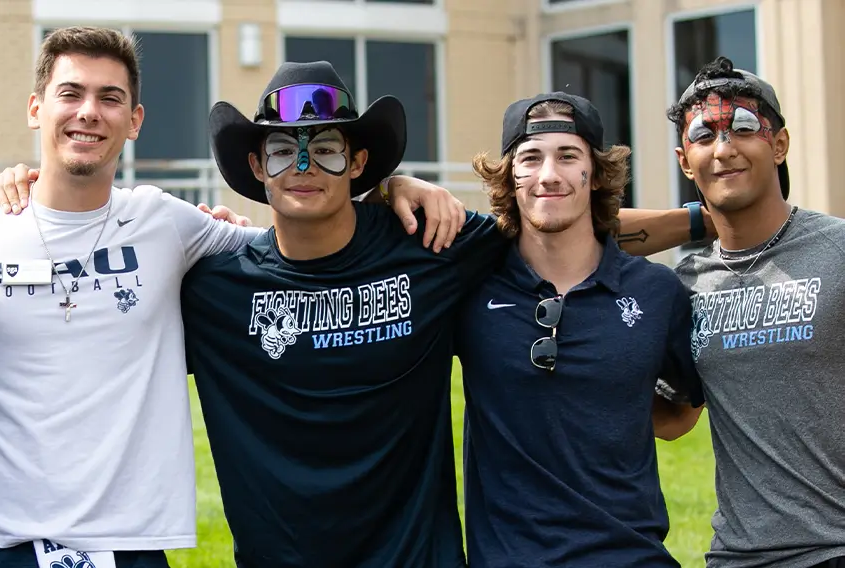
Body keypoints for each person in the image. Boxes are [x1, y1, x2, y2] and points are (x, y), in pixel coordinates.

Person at [0, 27, 465, 568]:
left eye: (110, 98)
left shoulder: (169, 224)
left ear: (135, 120)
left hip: (130, 544)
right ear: (35, 108)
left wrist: (391, 187)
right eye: (71, 94)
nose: (89, 112)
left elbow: (296, 244)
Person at [167, 61, 712, 567]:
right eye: (283, 150)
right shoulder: (213, 287)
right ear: (257, 164)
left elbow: (561, 225)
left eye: (327, 148)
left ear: (358, 161)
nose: (305, 166)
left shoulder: (430, 246)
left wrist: (706, 220)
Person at [456, 92, 705, 567]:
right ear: (511, 175)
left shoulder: (657, 292)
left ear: (595, 173)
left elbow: (681, 414)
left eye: (568, 156)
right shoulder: (469, 286)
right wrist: (395, 185)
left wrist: (614, 402)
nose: (550, 175)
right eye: (531, 157)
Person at [669, 56, 845, 568]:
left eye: (744, 127)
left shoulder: (837, 250)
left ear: (780, 144)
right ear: (685, 160)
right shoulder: (687, 285)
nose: (724, 149)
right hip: (736, 558)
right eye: (705, 135)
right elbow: (674, 420)